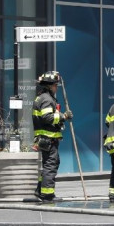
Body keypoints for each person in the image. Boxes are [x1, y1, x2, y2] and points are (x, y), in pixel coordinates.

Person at [32, 71, 72, 201]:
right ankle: (47, 194)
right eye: (55, 85)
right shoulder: (47, 99)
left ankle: (40, 190)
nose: (57, 87)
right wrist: (63, 116)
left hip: (45, 138)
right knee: (51, 165)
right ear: (50, 86)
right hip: (48, 139)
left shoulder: (42, 97)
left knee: (49, 164)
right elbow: (47, 117)